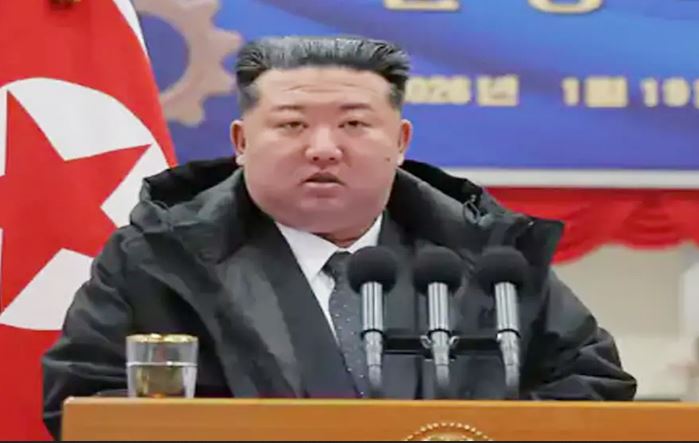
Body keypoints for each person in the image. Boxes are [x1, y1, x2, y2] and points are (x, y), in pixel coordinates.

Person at [42, 35, 637, 439]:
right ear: (242, 142)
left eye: (354, 123)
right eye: (292, 125)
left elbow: (594, 387)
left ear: (400, 141)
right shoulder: (158, 258)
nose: (323, 148)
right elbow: (85, 402)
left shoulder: (488, 255)